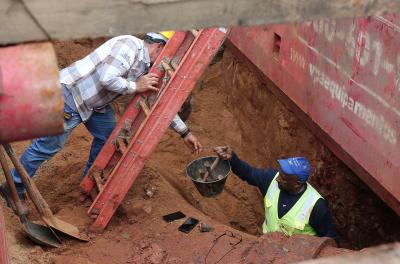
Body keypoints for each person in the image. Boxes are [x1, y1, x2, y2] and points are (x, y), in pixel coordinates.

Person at [0, 32, 203, 200]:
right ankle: (13, 189)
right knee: (47, 147)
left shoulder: (147, 66)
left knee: (108, 139)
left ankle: (87, 182)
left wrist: (185, 133)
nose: (164, 61)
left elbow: (159, 100)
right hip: (70, 95)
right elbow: (107, 78)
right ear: (160, 47)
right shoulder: (129, 46)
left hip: (94, 105)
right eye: (166, 54)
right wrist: (135, 86)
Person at [214, 145, 338, 242]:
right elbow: (249, 173)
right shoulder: (272, 179)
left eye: (284, 178)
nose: (278, 179)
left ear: (297, 183)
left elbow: (330, 240)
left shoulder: (316, 206)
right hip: (266, 247)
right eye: (280, 174)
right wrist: (232, 158)